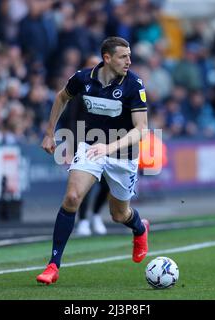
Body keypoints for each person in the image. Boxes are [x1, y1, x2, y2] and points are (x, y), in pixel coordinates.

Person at [36, 37, 150, 285]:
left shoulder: (134, 84)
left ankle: (140, 229)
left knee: (119, 215)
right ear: (107, 58)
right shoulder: (83, 79)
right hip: (90, 147)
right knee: (72, 198)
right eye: (123, 56)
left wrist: (108, 147)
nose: (129, 61)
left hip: (121, 154)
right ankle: (53, 265)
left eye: (130, 56)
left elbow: (141, 130)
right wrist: (49, 133)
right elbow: (61, 97)